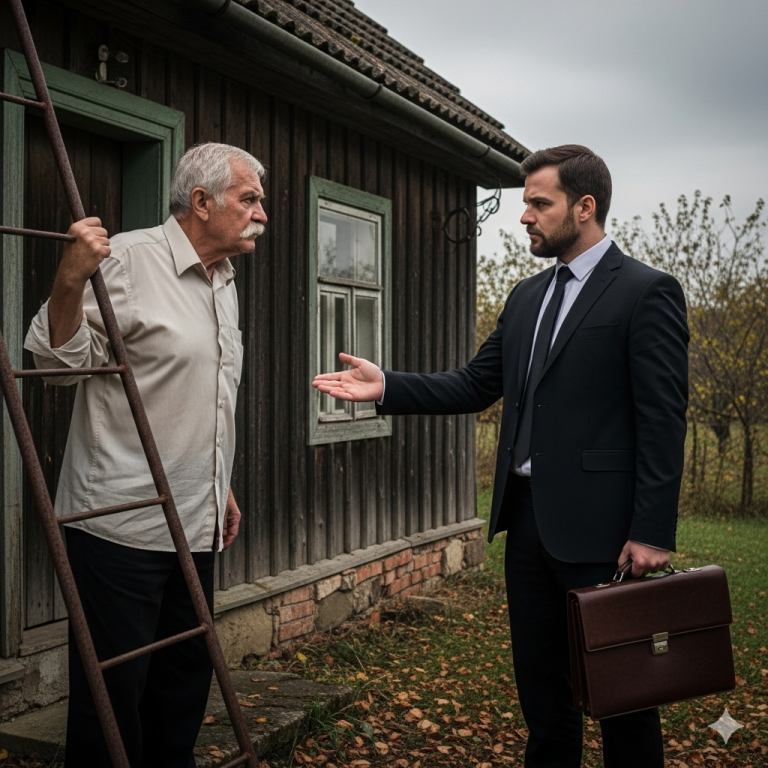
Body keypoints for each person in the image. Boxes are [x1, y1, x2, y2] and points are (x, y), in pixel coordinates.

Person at [313, 145, 689, 768]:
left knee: (625, 702)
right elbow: (473, 384)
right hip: (528, 528)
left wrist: (652, 529)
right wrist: (389, 387)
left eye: (540, 203)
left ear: (585, 207)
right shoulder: (526, 297)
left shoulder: (647, 292)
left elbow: (662, 420)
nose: (525, 217)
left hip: (605, 536)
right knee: (544, 702)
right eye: (525, 204)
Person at [24, 142, 268, 767]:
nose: (261, 213)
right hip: (120, 525)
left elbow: (200, 396)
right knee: (111, 704)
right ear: (201, 201)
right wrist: (72, 276)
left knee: (181, 690)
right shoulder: (130, 261)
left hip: (197, 522)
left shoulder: (224, 278)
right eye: (250, 199)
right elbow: (55, 368)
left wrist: (222, 485)